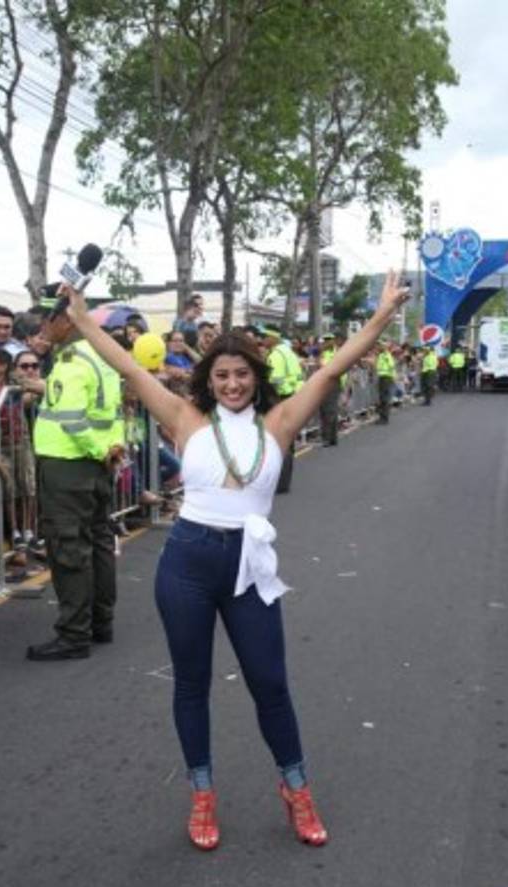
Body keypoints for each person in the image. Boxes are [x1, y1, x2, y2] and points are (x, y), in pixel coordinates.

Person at [62, 270, 410, 851]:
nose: (231, 384)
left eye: (241, 374)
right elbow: (126, 367)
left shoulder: (280, 423)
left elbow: (332, 368)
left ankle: (296, 788)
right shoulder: (183, 419)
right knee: (192, 685)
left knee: (270, 684)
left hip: (248, 566)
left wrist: (380, 316)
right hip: (187, 563)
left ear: (256, 377)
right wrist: (77, 318)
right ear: (208, 379)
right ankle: (202, 793)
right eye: (221, 375)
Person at [26, 301, 124, 661]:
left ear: (65, 321)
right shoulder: (101, 356)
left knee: (69, 549)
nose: (42, 328)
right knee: (98, 542)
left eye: (46, 321)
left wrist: (99, 450)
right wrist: (110, 449)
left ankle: (73, 634)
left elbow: (71, 419)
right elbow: (112, 413)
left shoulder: (71, 363)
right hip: (97, 466)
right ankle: (101, 622)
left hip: (69, 466)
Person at [261, 327, 304, 493]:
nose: (263, 340)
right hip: (293, 397)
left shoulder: (276, 356)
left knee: (278, 442)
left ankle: (278, 483)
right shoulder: (289, 352)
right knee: (288, 442)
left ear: (273, 338)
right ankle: (284, 482)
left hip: (279, 399)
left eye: (265, 337)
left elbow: (275, 381)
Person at [319, 333, 346, 446]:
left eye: (328, 340)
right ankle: (332, 438)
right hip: (324, 383)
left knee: (329, 411)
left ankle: (327, 438)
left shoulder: (337, 353)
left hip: (333, 383)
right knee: (328, 411)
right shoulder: (324, 353)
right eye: (325, 340)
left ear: (333, 341)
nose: (325, 342)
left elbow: (327, 368)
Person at [375, 341, 396, 423]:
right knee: (382, 398)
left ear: (385, 347)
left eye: (380, 346)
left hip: (386, 378)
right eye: (379, 346)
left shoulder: (387, 355)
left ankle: (384, 418)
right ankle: (382, 417)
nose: (379, 347)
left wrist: (392, 377)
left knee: (384, 398)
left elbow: (391, 366)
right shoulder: (381, 355)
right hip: (382, 377)